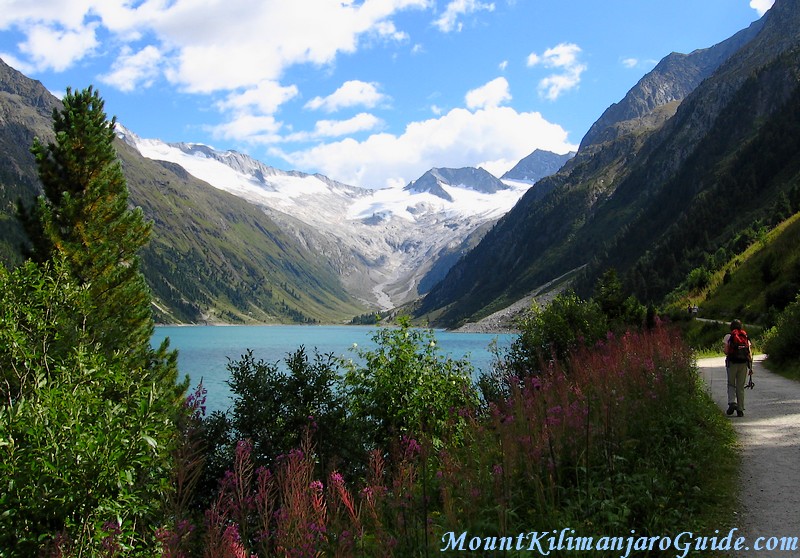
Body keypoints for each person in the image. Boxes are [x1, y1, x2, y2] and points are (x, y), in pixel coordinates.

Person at [724, 319, 752, 417]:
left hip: (732, 363)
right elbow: (749, 353)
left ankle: (732, 403)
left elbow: (726, 351)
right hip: (743, 364)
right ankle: (740, 409)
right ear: (741, 327)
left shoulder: (728, 337)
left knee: (731, 384)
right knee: (740, 386)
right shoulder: (745, 336)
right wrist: (751, 368)